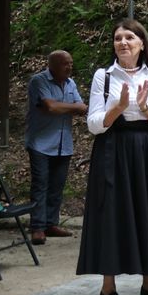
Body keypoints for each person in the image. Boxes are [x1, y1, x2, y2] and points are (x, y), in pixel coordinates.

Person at [77, 19, 148, 295]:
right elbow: (94, 124)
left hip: (147, 149)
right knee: (111, 212)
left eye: (129, 37)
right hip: (113, 148)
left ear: (141, 43)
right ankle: (107, 290)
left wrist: (146, 108)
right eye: (117, 38)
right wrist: (119, 108)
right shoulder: (104, 76)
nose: (122, 42)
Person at [25, 50, 87, 246]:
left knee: (57, 186)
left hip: (64, 143)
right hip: (41, 143)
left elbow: (82, 107)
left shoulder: (70, 83)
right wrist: (69, 107)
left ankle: (51, 223)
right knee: (40, 184)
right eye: (64, 64)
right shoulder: (39, 81)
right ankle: (37, 227)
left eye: (70, 63)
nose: (69, 67)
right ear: (52, 65)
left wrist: (62, 107)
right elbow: (51, 107)